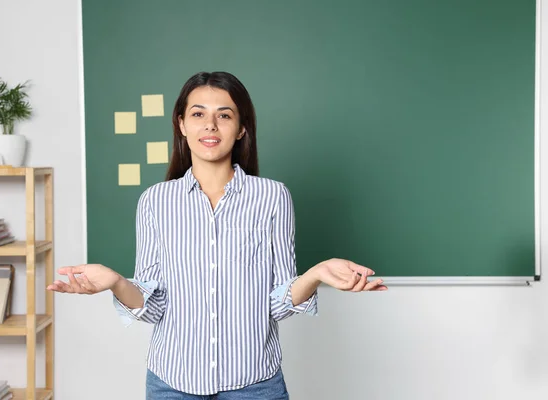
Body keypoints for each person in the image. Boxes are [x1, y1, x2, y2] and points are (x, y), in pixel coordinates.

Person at [47, 71, 388, 399]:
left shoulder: (272, 197)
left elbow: (278, 305)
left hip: (255, 383)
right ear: (181, 124)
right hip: (172, 382)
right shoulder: (155, 202)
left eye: (224, 115)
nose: (210, 125)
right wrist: (115, 281)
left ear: (241, 129)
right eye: (198, 114)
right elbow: (153, 307)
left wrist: (314, 275)